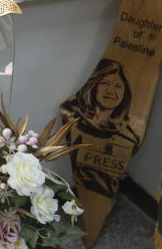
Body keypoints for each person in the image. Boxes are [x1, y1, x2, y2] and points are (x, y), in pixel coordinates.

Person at [59, 58, 141, 198]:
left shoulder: (130, 137)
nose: (111, 91)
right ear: (94, 86)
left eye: (118, 86)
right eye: (105, 83)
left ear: (125, 93)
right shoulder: (73, 121)